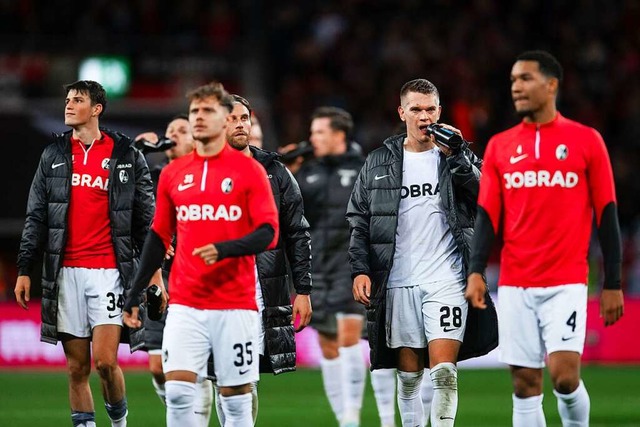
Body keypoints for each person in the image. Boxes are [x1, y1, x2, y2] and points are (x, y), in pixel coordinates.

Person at [465, 50, 625, 427]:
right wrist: (476, 271)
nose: (516, 87)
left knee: (565, 377)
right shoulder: (500, 146)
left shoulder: (586, 140)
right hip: (516, 282)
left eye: (525, 79)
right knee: (524, 384)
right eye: (513, 81)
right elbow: (487, 216)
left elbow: (607, 213)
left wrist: (613, 283)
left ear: (551, 85)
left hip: (566, 280)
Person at [122, 81, 279, 427]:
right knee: (178, 394)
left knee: (236, 402)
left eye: (207, 111)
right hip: (186, 305)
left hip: (235, 305)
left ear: (225, 120)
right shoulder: (174, 173)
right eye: (195, 111)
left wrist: (225, 249)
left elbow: (269, 233)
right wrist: (132, 294)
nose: (199, 117)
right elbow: (157, 236)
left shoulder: (250, 170)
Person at [346, 78, 498, 427]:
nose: (424, 116)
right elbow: (359, 220)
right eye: (416, 109)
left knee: (445, 373)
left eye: (430, 109)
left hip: (447, 277)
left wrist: (457, 155)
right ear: (402, 113)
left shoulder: (455, 154)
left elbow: (487, 197)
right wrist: (360, 269)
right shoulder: (378, 162)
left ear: (440, 112)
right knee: (410, 378)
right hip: (397, 279)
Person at [14, 80, 160, 427]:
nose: (68, 105)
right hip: (65, 275)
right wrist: (24, 268)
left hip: (110, 272)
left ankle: (119, 423)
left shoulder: (125, 154)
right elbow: (36, 215)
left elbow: (146, 219)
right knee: (76, 367)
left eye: (77, 100)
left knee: (106, 363)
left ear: (96, 109)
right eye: (67, 99)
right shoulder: (53, 155)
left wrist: (154, 273)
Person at [211, 93, 312, 424]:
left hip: (259, 289)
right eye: (232, 118)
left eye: (244, 118)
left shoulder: (275, 171)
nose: (240, 124)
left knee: (246, 374)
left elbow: (297, 231)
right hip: (212, 288)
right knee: (215, 376)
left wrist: (304, 289)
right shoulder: (200, 170)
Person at [296, 106, 397, 427]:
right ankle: (344, 418)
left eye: (320, 132)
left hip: (354, 267)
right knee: (328, 345)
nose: (313, 138)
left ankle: (367, 417)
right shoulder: (306, 173)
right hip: (318, 269)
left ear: (339, 135)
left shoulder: (366, 169)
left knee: (351, 336)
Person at [134, 116, 215, 426]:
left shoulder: (205, 175)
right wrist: (135, 154)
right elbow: (124, 199)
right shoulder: (151, 178)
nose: (174, 136)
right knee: (157, 366)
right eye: (169, 132)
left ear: (196, 140)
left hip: (194, 275)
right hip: (159, 276)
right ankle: (183, 413)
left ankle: (194, 419)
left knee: (197, 365)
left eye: (182, 130)